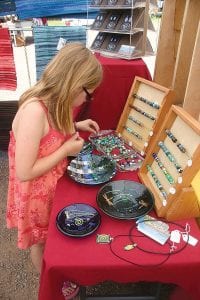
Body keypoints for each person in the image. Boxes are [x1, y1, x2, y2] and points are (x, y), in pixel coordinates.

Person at [6, 42, 103, 299]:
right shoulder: (34, 111)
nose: (87, 100)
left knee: (53, 235)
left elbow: (52, 131)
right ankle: (48, 277)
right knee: (41, 242)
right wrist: (64, 152)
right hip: (35, 194)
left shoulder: (55, 104)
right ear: (74, 81)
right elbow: (25, 172)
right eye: (88, 93)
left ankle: (55, 267)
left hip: (50, 186)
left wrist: (76, 123)